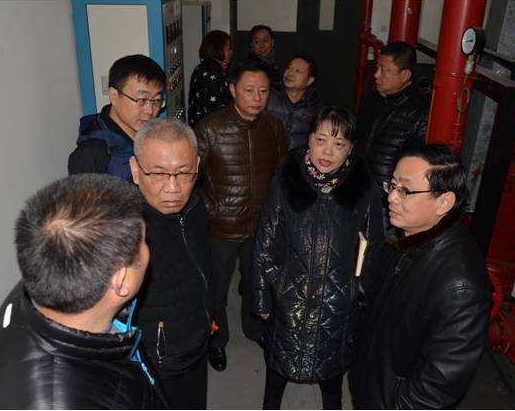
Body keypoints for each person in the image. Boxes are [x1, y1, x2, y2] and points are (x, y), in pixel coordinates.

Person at [0, 174, 167, 409]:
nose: (148, 247)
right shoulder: (60, 403)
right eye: (144, 241)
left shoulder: (45, 276)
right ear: (122, 281)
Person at [251, 106, 384, 409]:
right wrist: (263, 296)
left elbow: (375, 244)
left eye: (339, 144)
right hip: (288, 299)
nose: (327, 151)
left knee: (332, 384)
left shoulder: (363, 187)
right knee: (275, 378)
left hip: (337, 305)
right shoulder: (286, 179)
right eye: (320, 139)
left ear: (351, 148)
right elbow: (264, 241)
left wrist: (357, 289)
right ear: (308, 138)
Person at [349, 144, 493, 409]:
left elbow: (437, 387)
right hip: (370, 386)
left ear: (444, 203)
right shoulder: (406, 237)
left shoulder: (461, 287)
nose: (392, 197)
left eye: (405, 190)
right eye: (392, 185)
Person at [194, 61, 287, 372]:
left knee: (256, 282)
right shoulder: (209, 128)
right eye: (249, 90)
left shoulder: (274, 126)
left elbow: (281, 173)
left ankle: (254, 329)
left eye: (263, 91)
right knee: (216, 290)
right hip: (220, 228)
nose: (257, 98)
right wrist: (213, 208)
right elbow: (190, 178)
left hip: (260, 226)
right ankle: (216, 340)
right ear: (233, 89)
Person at [130, 118, 212, 409]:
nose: (174, 188)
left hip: (197, 343)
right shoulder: (125, 231)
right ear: (135, 170)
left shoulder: (195, 205)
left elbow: (202, 266)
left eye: (184, 172)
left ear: (197, 166)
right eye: (158, 174)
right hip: (156, 360)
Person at [68, 54, 167, 181]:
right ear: (114, 96)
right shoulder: (90, 156)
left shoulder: (154, 136)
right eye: (142, 100)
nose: (150, 111)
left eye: (157, 100)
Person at [356, 41, 428, 190]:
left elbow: (418, 164)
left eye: (384, 70)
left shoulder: (420, 113)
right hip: (357, 186)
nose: (376, 75)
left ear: (405, 75)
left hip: (388, 195)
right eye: (377, 68)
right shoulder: (370, 99)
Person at [266, 53, 322, 150]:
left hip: (297, 158)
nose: (290, 73)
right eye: (289, 68)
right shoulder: (268, 95)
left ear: (309, 80)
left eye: (298, 71)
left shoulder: (315, 106)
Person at [188, 30, 233, 127]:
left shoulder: (201, 67)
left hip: (196, 125)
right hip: (210, 129)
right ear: (218, 49)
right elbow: (214, 111)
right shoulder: (215, 75)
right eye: (229, 48)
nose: (231, 52)